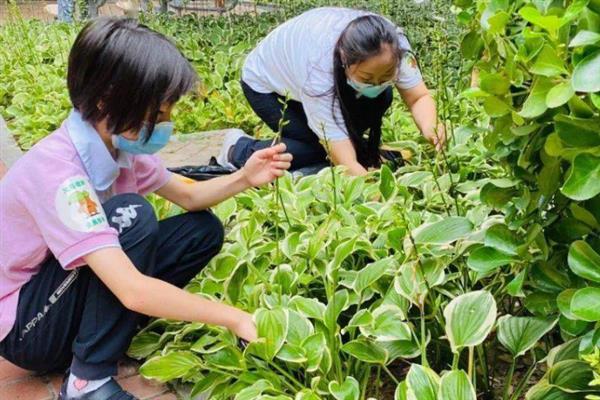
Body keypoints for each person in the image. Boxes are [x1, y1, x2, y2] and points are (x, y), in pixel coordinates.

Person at [0, 18, 291, 400]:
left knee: (200, 231)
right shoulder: (58, 172)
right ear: (107, 100)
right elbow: (131, 289)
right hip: (29, 328)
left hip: (66, 299)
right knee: (131, 217)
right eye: (159, 114)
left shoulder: (119, 146)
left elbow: (188, 197)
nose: (167, 124)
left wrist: (244, 177)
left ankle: (107, 333)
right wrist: (235, 318)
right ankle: (88, 381)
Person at [217, 7, 446, 177]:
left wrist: (431, 128)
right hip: (267, 87)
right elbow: (345, 163)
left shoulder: (396, 46)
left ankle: (351, 139)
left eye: (385, 76)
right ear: (345, 61)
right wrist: (375, 194)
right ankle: (239, 149)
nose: (376, 83)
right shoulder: (318, 71)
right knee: (316, 147)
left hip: (316, 77)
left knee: (382, 97)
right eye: (367, 78)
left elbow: (419, 97)